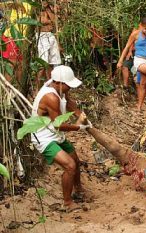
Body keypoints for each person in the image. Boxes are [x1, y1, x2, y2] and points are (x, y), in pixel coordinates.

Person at [31, 65, 92, 211]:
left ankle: (78, 191)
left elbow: (68, 102)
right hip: (43, 137)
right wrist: (78, 127)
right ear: (58, 83)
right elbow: (59, 125)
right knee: (70, 165)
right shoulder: (51, 97)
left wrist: (79, 114)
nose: (69, 89)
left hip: (55, 134)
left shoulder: (58, 89)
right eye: (68, 86)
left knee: (75, 159)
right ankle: (67, 203)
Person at [117, 16, 146, 111]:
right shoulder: (135, 34)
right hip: (139, 60)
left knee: (142, 84)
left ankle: (139, 107)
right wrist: (120, 61)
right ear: (141, 26)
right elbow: (127, 47)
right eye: (145, 29)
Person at [36, 1, 62, 91]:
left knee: (53, 62)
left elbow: (55, 21)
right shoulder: (36, 9)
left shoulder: (50, 9)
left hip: (51, 35)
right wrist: (48, 20)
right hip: (42, 36)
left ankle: (51, 87)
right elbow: (41, 21)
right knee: (43, 64)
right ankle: (37, 90)